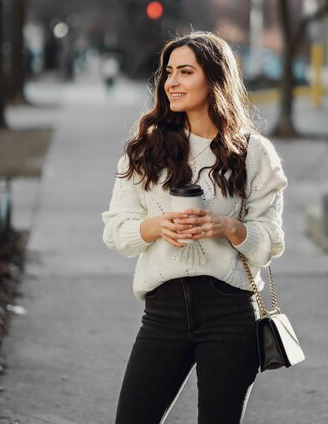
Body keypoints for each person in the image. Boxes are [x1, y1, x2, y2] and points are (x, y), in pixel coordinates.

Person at [102, 32, 287, 424]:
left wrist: (229, 227)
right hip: (163, 310)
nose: (172, 82)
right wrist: (154, 228)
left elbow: (270, 242)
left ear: (214, 79)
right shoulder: (146, 150)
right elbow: (115, 230)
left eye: (185, 72)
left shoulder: (253, 153)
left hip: (229, 310)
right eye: (169, 72)